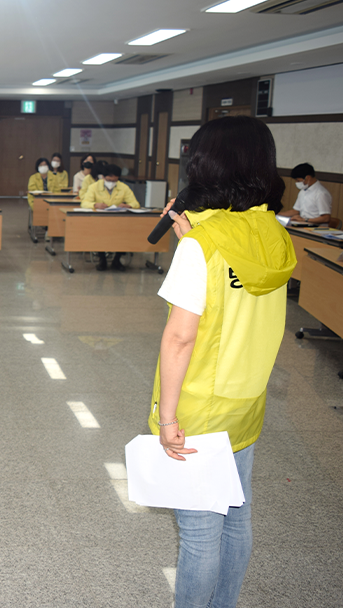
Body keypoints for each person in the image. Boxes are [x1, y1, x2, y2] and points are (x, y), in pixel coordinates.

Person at [149, 115, 296, 608]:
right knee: (237, 517)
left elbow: (180, 339)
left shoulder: (201, 245)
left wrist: (168, 419)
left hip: (199, 409)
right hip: (246, 401)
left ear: (204, 164)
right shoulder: (272, 233)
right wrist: (192, 239)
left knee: (198, 534)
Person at [81, 164, 140, 270]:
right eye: (109, 180)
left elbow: (135, 203)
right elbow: (84, 203)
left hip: (119, 222)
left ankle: (116, 260)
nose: (111, 183)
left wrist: (128, 205)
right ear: (103, 177)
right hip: (99, 222)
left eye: (114, 181)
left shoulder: (123, 187)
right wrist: (94, 205)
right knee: (99, 234)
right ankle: (102, 259)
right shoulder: (94, 187)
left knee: (126, 234)